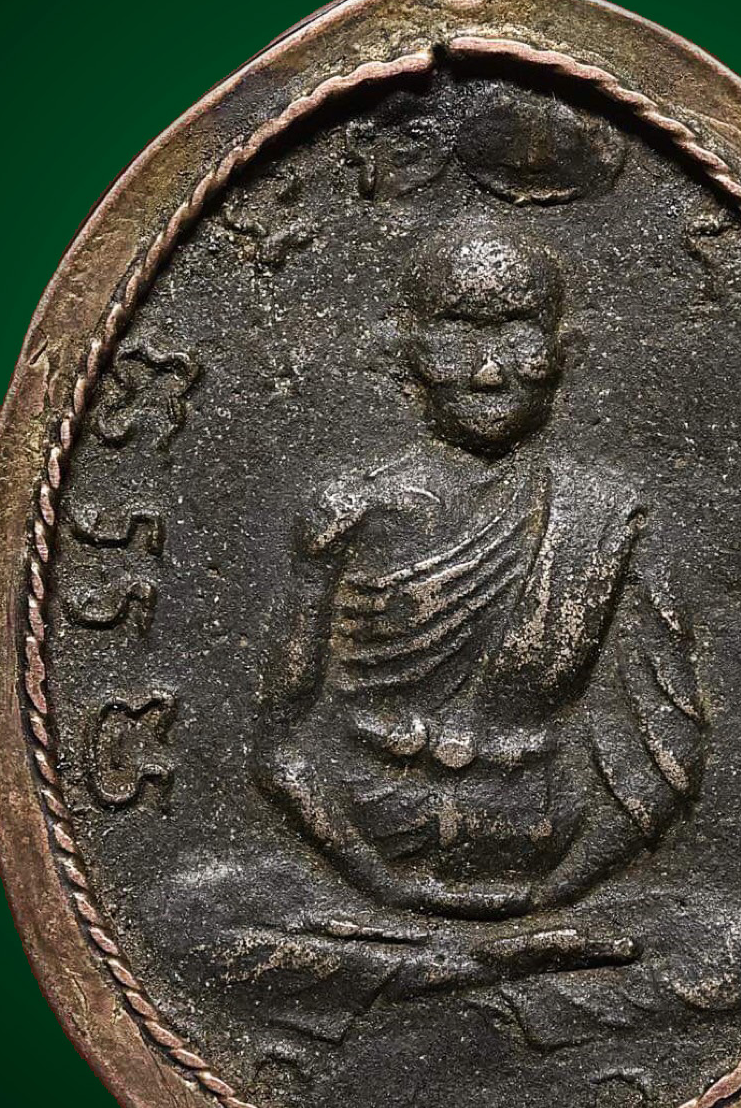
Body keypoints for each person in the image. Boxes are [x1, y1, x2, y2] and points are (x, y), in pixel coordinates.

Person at [252, 227, 704, 931]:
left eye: (517, 334)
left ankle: (487, 963)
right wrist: (379, 884)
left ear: (563, 350)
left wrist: (551, 897)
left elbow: (664, 753)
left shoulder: (605, 517)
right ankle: (472, 967)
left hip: (550, 865)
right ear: (405, 353)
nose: (489, 371)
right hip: (360, 873)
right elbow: (279, 744)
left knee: (726, 947)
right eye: (457, 335)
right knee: (200, 923)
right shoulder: (347, 514)